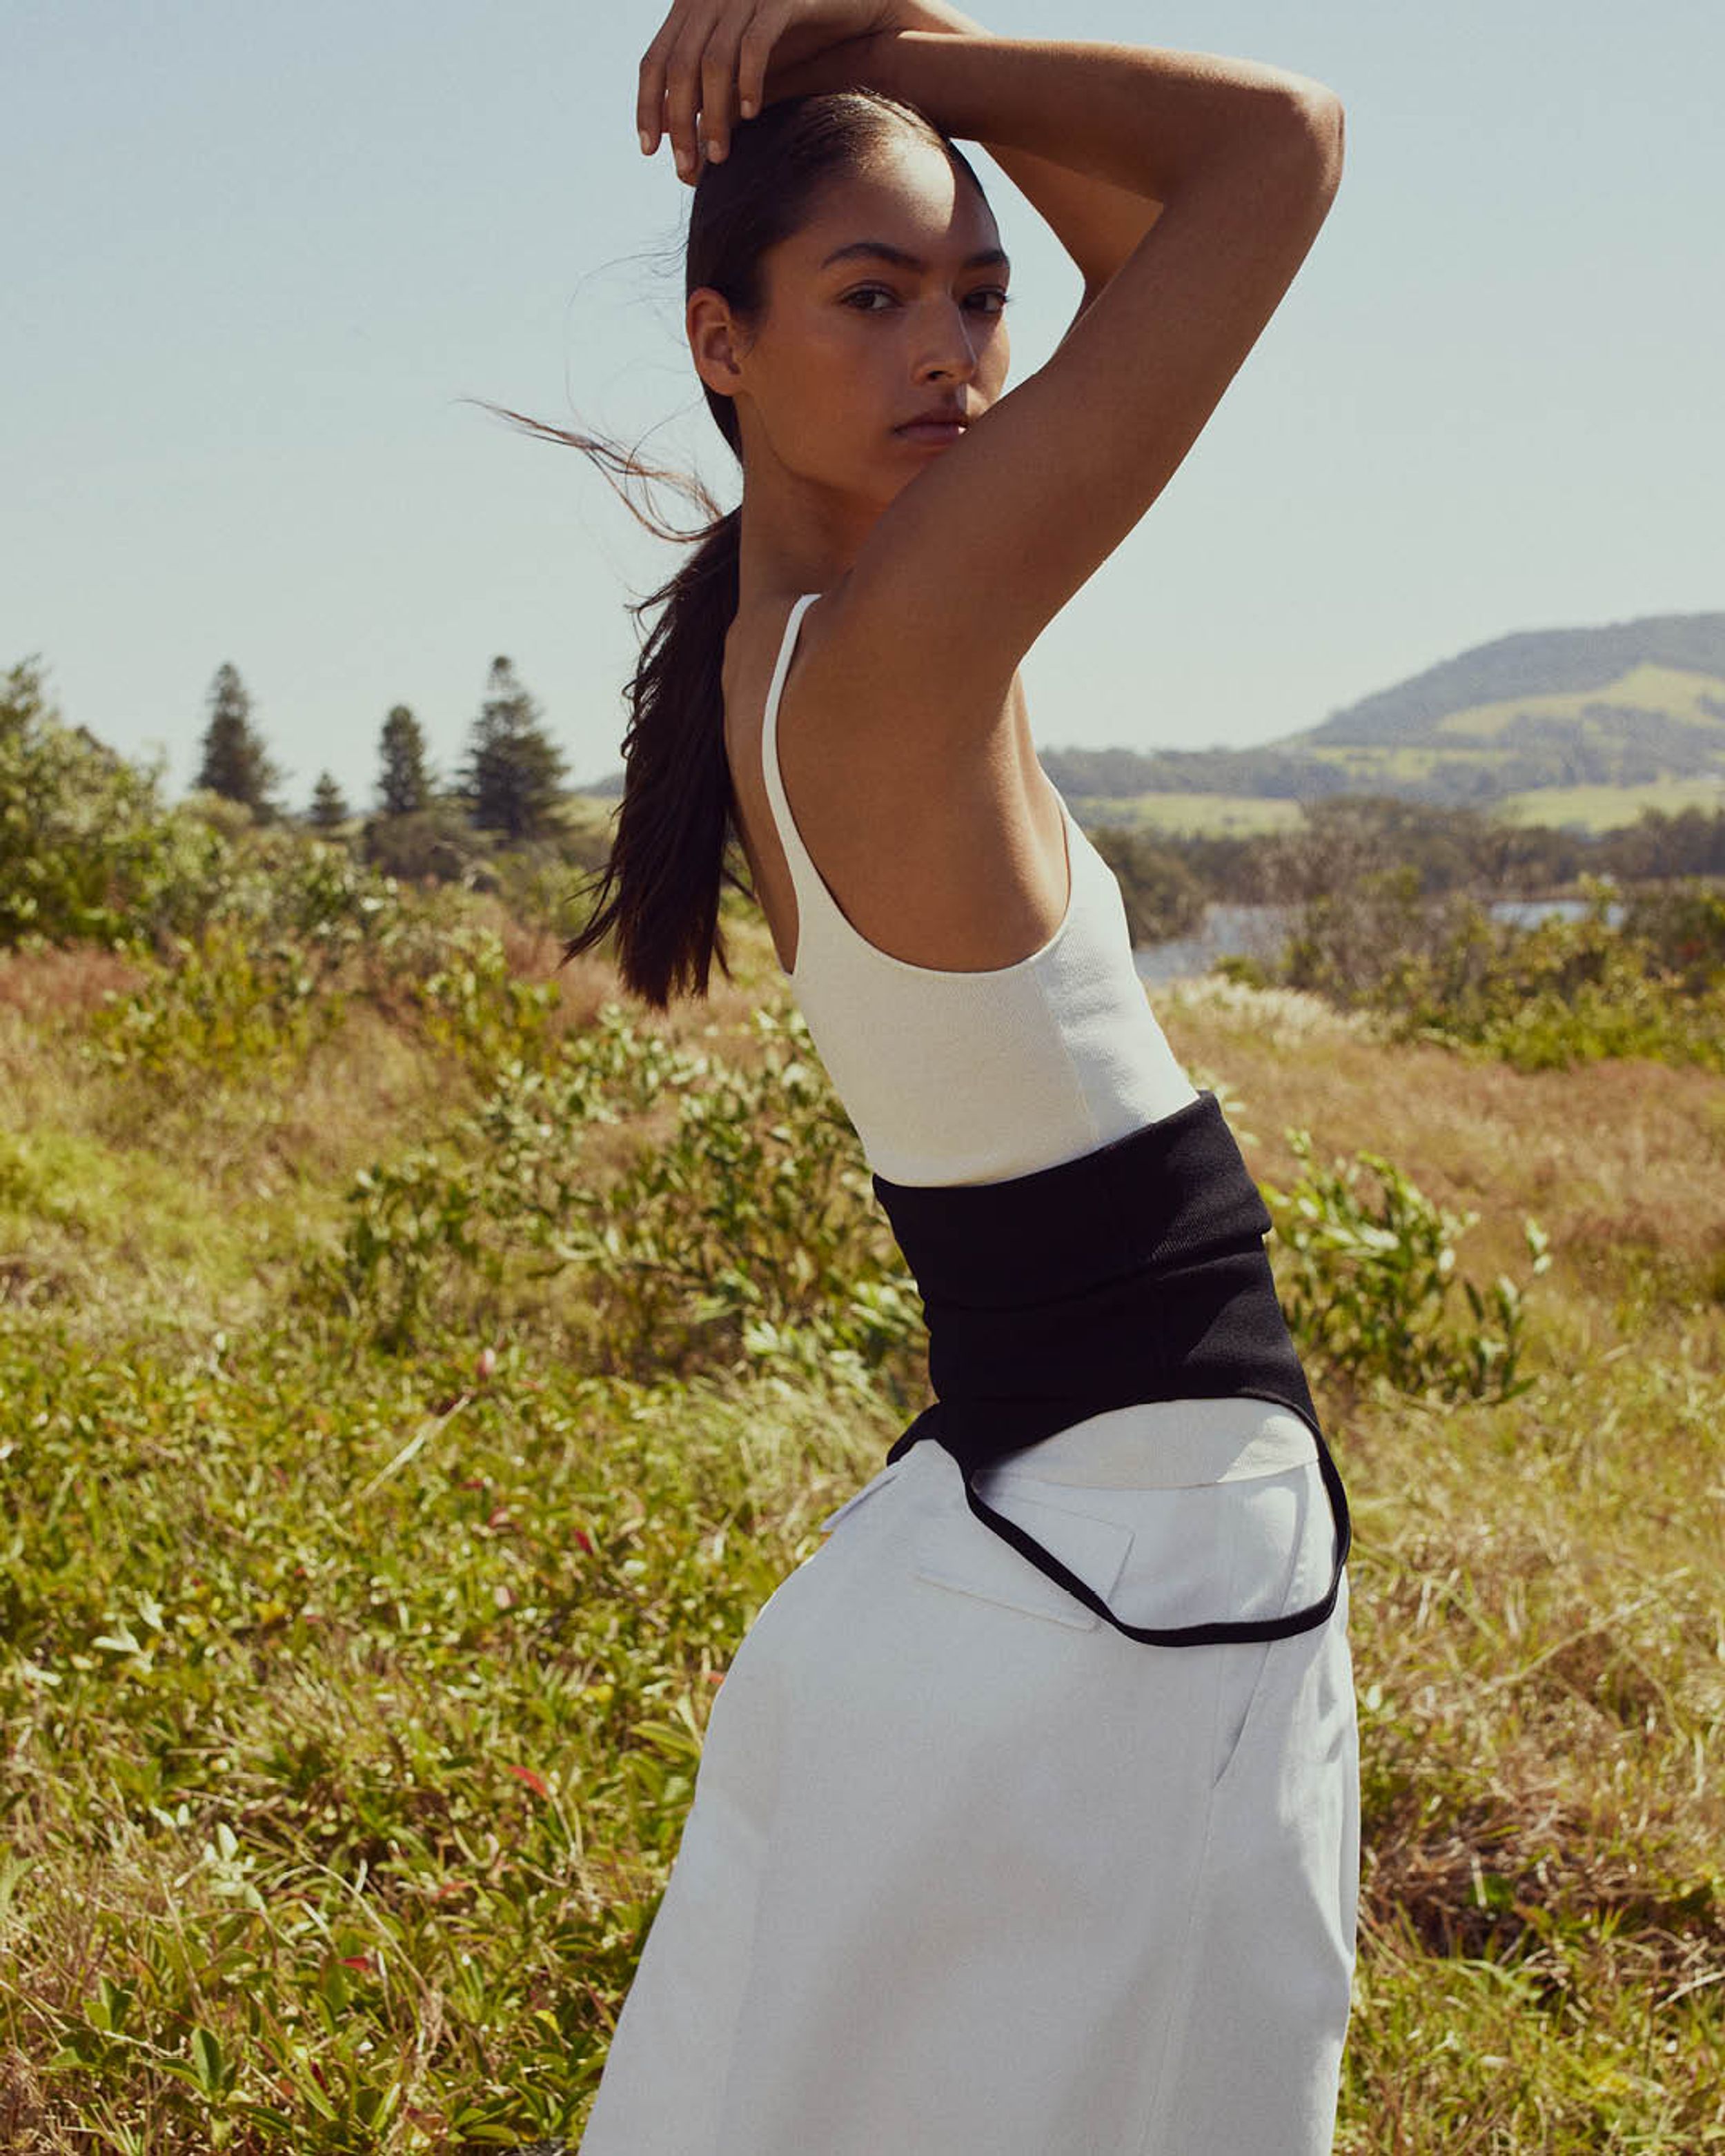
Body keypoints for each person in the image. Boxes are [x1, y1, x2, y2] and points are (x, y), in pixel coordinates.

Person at [511, 2, 1355, 2147]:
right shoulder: (893, 654)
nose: (950, 353)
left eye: (978, 300)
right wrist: (894, 37)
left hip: (1038, 1524)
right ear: (719, 343)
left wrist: (866, 97)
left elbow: (1158, 265)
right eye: (869, 300)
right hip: (1137, 1551)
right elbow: (1273, 154)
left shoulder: (785, 649)